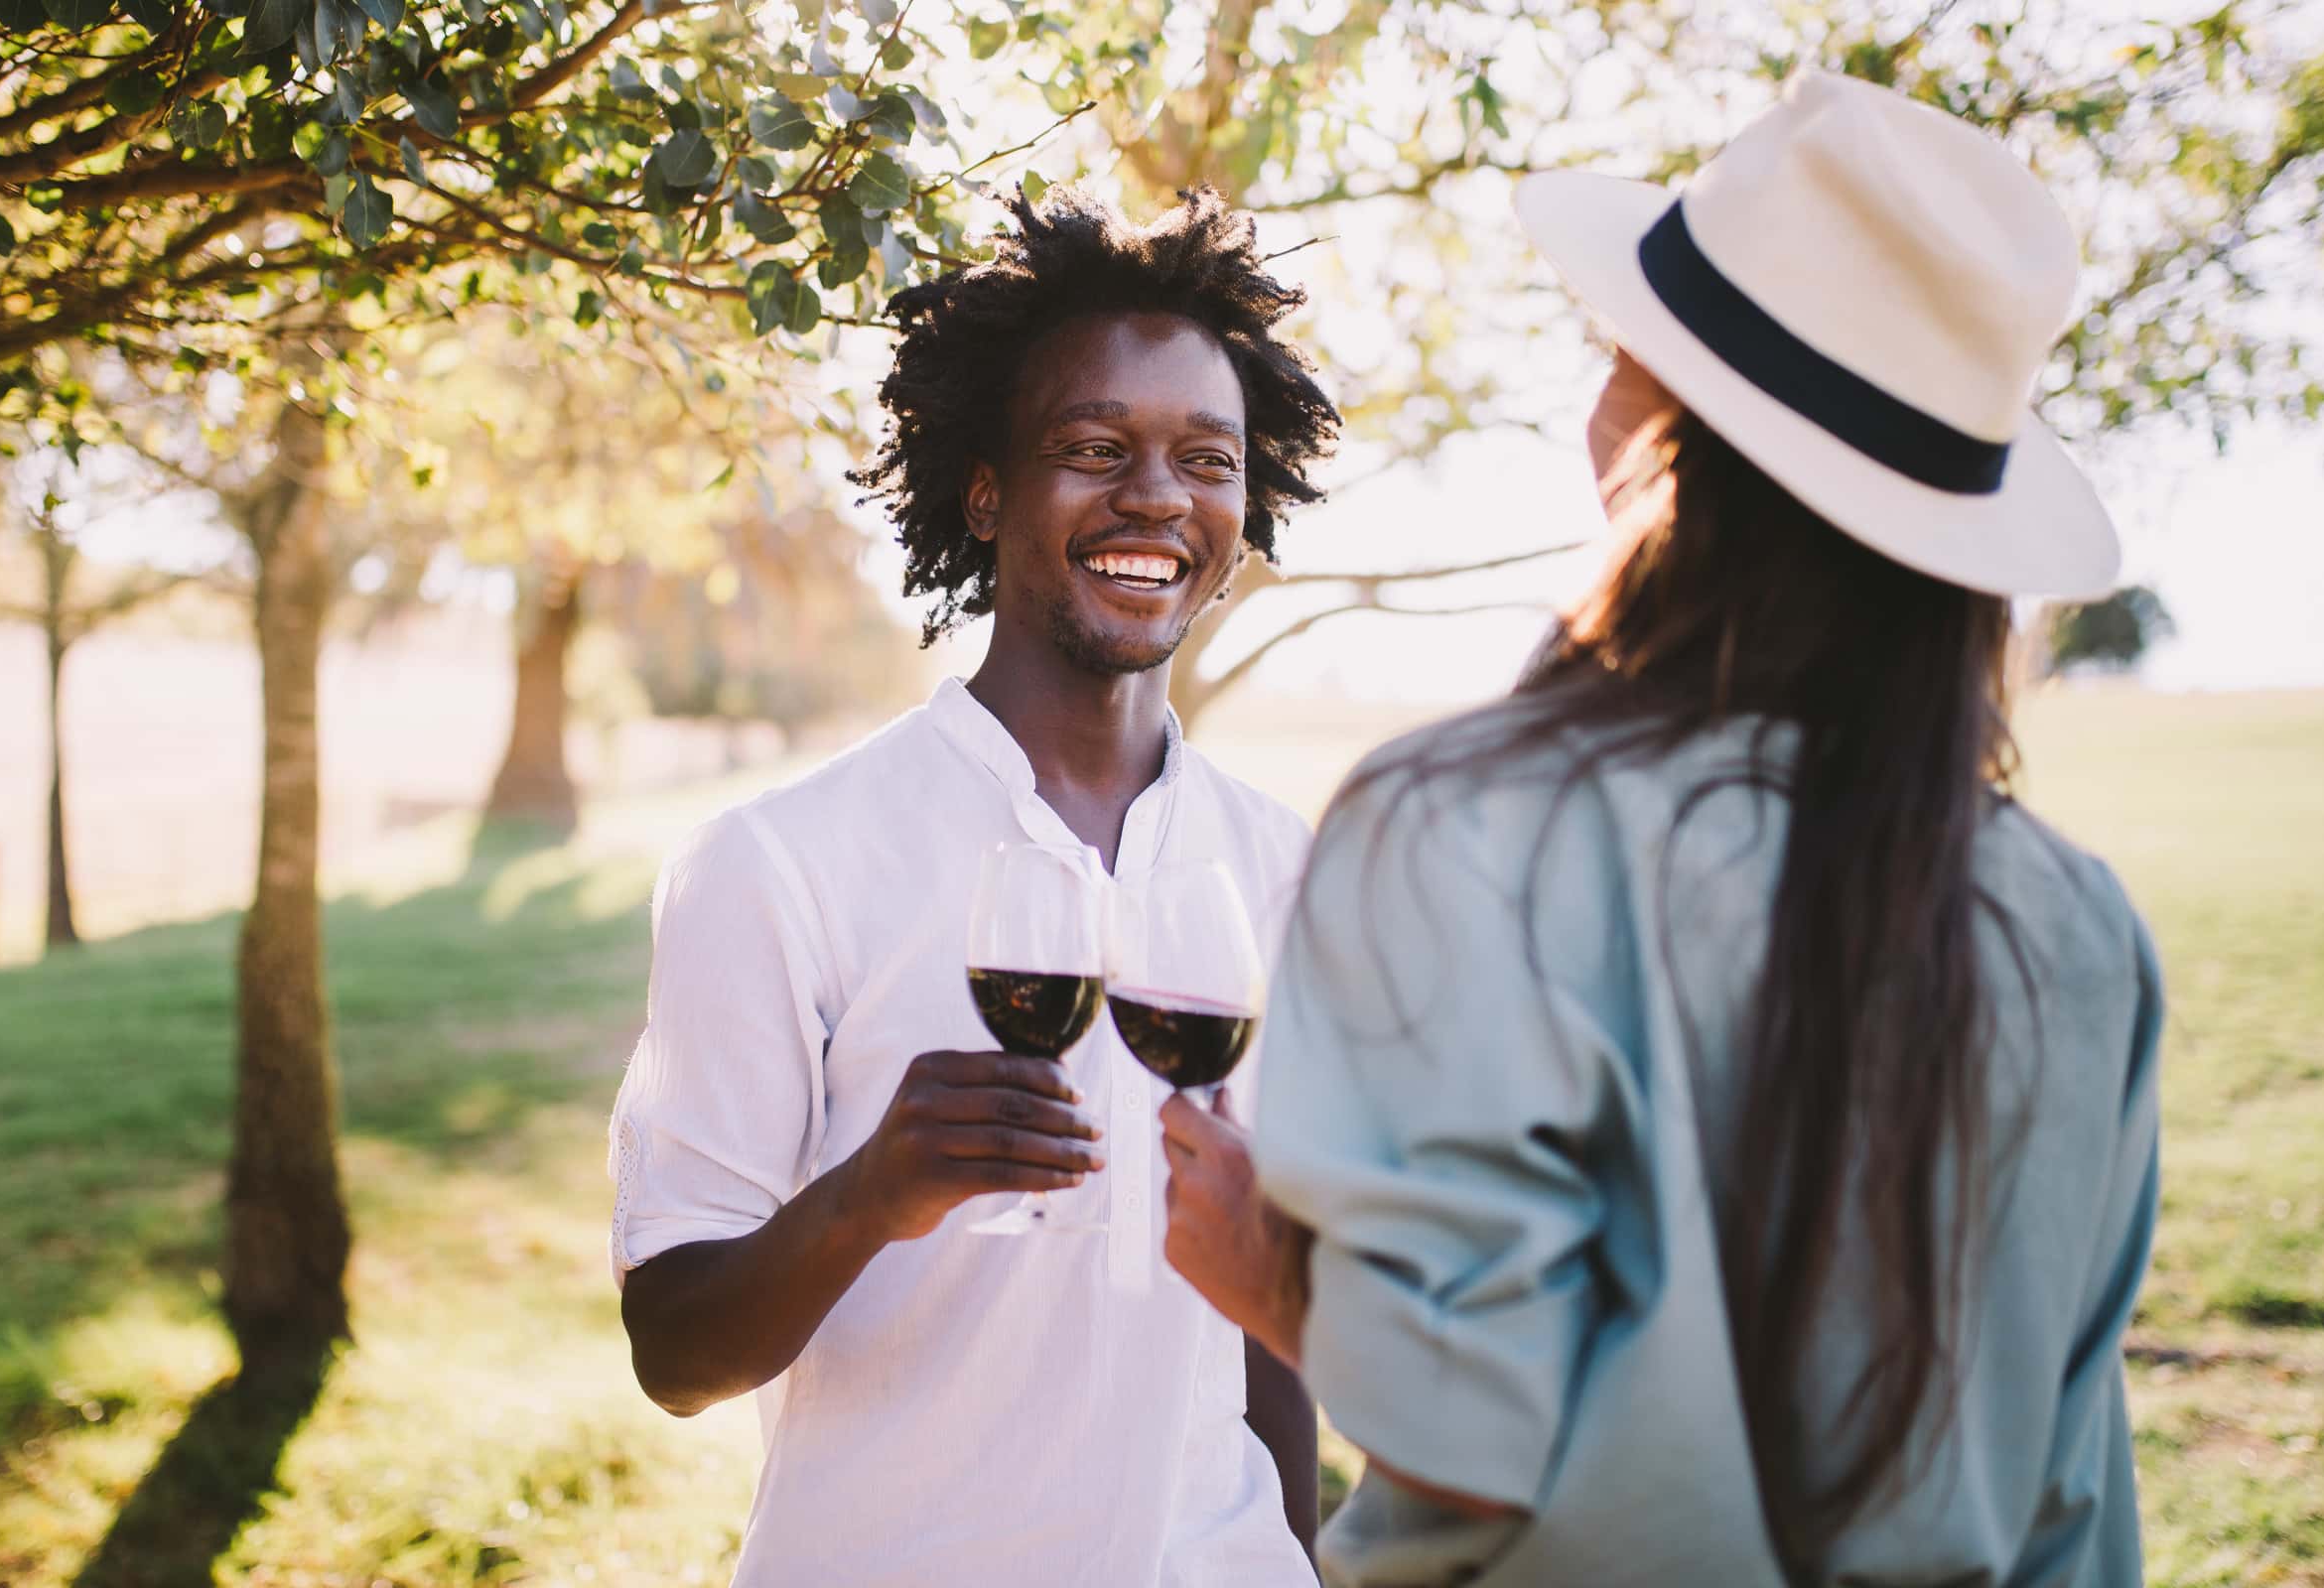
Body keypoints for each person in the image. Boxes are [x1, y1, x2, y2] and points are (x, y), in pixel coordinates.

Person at [1159, 71, 2165, 1586]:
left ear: (1654, 430)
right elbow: (2075, 1508)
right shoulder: (2077, 930)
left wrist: (1276, 1283)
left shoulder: (1463, 832)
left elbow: (1478, 1448)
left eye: (1618, 350)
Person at [608, 187, 1339, 1586]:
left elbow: (1260, 1318)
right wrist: (869, 1193)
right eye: (1091, 447)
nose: (1156, 496)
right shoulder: (776, 864)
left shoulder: (1282, 867)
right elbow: (676, 1357)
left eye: (1208, 458)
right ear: (988, 491)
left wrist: (1294, 1560)